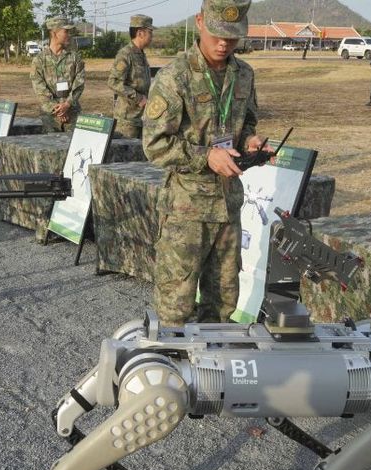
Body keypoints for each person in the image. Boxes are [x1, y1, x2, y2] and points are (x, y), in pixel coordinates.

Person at [142, 0, 272, 328]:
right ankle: (172, 358)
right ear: (200, 22)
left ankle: (215, 358)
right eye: (217, 34)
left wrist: (251, 142)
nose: (224, 43)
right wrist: (206, 156)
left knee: (224, 303)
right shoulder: (175, 77)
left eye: (232, 36)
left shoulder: (243, 74)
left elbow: (247, 123)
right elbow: (154, 145)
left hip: (228, 205)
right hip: (187, 210)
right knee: (176, 305)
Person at [30, 17, 85, 133]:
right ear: (54, 33)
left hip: (72, 115)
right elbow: (39, 88)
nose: (69, 35)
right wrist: (57, 109)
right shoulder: (39, 60)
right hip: (50, 116)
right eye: (66, 31)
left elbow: (79, 84)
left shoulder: (75, 58)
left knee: (74, 144)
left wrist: (67, 104)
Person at [107, 14, 154, 139]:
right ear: (140, 33)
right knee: (126, 150)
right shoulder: (125, 54)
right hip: (127, 121)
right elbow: (113, 82)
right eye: (150, 32)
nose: (152, 36)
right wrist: (138, 98)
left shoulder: (140, 54)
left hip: (141, 118)